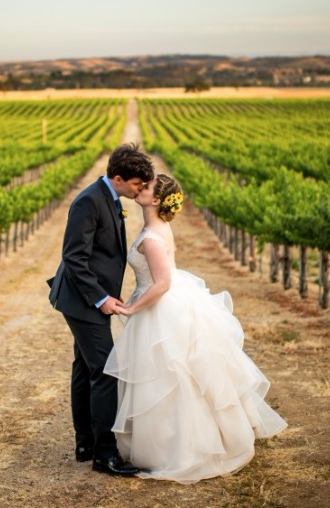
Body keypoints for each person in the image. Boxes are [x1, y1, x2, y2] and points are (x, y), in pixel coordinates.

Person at [104, 173, 288, 483]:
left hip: (159, 306)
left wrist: (133, 308)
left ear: (157, 200)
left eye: (145, 187)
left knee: (166, 379)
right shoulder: (159, 228)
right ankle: (181, 442)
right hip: (170, 300)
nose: (139, 189)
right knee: (175, 377)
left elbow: (161, 283)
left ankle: (174, 449)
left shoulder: (150, 236)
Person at [47, 143, 155, 476]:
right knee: (107, 370)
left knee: (84, 367)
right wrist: (101, 298)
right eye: (137, 184)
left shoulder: (109, 197)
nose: (139, 191)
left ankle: (86, 443)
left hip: (87, 298)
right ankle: (105, 455)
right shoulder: (89, 201)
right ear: (119, 178)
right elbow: (74, 258)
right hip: (82, 300)